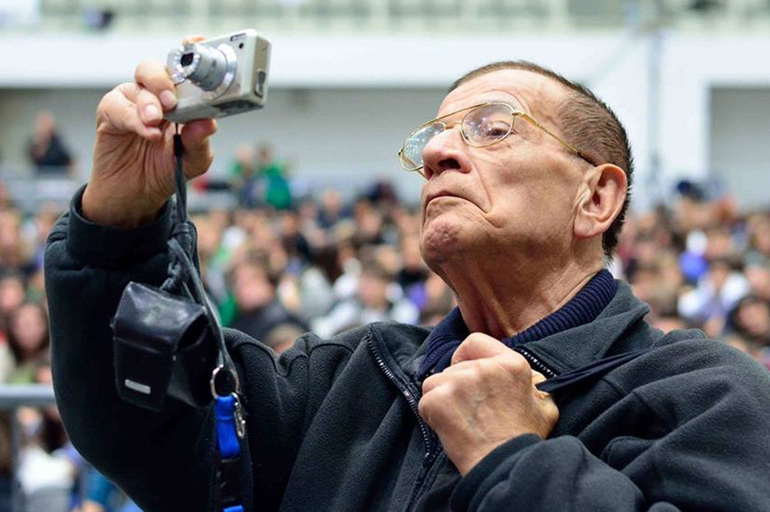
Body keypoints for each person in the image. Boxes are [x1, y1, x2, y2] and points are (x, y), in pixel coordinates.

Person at [44, 54, 770, 511]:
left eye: (494, 128)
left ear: (596, 198)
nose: (441, 154)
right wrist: (118, 232)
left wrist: (512, 462)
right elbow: (142, 425)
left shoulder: (703, 397)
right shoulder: (345, 377)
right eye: (431, 140)